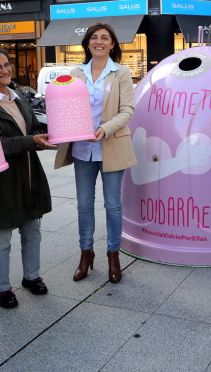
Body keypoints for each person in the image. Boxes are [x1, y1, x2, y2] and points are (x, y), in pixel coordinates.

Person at [0, 47, 55, 309]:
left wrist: (45, 138)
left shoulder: (17, 96)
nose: (6, 70)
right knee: (1, 237)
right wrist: (32, 140)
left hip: (28, 173)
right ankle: (2, 288)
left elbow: (34, 129)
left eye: (7, 64)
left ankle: (31, 277)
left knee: (32, 230)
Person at [55, 23, 136, 283]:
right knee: (84, 205)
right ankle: (85, 254)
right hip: (82, 149)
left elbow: (128, 110)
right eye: (94, 38)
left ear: (113, 44)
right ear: (87, 43)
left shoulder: (121, 72)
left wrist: (105, 128)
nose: (99, 41)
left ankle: (113, 255)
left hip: (111, 145)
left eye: (104, 38)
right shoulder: (75, 73)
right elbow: (65, 107)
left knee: (112, 205)